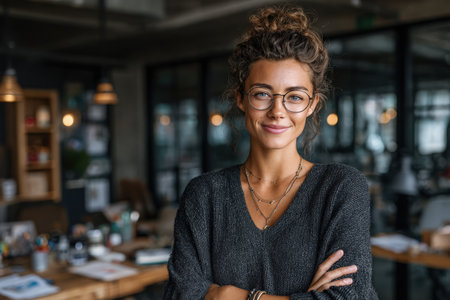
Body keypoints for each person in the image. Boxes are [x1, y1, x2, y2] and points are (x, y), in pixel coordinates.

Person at [163, 5, 378, 300]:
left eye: (294, 97)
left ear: (312, 104)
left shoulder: (340, 188)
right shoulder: (204, 196)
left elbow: (352, 298)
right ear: (241, 98)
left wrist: (225, 294)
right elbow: (179, 295)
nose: (278, 111)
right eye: (262, 94)